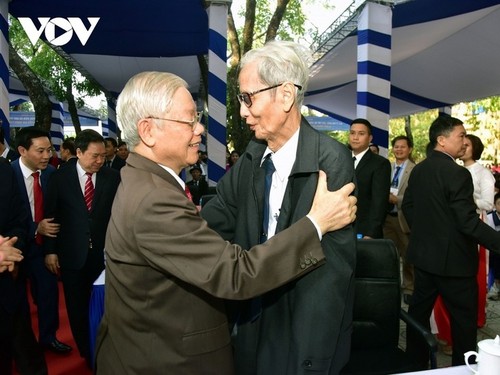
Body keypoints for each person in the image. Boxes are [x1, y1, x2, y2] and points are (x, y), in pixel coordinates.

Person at [94, 70, 357, 375]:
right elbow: (235, 274)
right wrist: (317, 223)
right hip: (167, 361)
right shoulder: (154, 200)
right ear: (149, 130)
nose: (200, 129)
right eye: (189, 120)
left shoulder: (143, 181)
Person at [201, 40, 357, 375]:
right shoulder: (252, 158)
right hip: (251, 315)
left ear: (285, 95)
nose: (242, 111)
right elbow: (216, 218)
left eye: (248, 98)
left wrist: (310, 359)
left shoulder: (330, 160)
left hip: (298, 329)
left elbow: (330, 277)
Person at [402, 116, 500, 367]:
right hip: (454, 263)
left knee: (418, 315)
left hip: (424, 258)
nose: (465, 141)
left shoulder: (419, 169)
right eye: (461, 135)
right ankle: (463, 368)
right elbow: (467, 221)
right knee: (463, 323)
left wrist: (427, 234)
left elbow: (409, 207)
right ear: (442, 140)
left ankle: (415, 365)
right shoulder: (457, 173)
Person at [44, 129, 121, 366]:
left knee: (109, 305)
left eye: (103, 156)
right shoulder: (59, 177)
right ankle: (88, 352)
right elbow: (51, 216)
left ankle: (108, 348)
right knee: (76, 308)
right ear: (78, 152)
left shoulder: (112, 177)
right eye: (94, 156)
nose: (100, 161)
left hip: (104, 256)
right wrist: (50, 250)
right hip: (71, 255)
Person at [10, 127, 72, 354]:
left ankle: (48, 337)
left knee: (48, 294)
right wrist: (36, 227)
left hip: (42, 248)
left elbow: (57, 211)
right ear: (22, 150)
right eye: (41, 151)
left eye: (50, 150)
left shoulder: (51, 175)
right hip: (14, 248)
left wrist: (52, 248)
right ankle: (23, 345)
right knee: (18, 302)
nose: (48, 155)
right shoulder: (7, 175)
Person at [0, 161, 47, 375]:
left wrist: (10, 250)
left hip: (8, 280)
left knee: (27, 355)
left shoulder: (2, 168)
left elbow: (19, 219)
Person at [383, 135, 415, 305]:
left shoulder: (414, 169)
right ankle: (392, 286)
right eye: (396, 146)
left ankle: (409, 288)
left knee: (408, 255)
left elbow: (416, 196)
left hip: (403, 218)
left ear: (409, 149)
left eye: (402, 147)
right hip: (387, 218)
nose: (399, 149)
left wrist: (398, 199)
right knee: (389, 255)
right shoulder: (387, 167)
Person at [349, 118, 391, 238]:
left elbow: (379, 202)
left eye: (361, 134)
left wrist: (371, 233)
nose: (355, 137)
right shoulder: (341, 159)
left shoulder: (379, 163)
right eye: (352, 133)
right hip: (340, 228)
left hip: (363, 230)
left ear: (370, 138)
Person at [486, 193, 500, 300]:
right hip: (492, 249)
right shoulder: (489, 218)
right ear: (494, 205)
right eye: (499, 204)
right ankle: (493, 287)